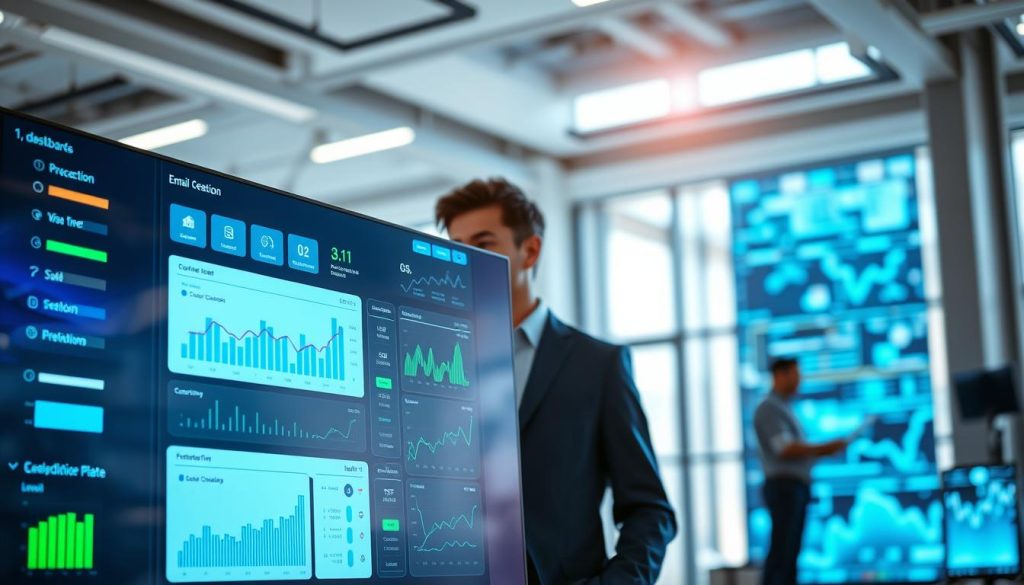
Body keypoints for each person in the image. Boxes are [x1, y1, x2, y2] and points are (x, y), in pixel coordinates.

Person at [435, 178, 677, 585]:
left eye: (483, 245)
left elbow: (650, 509)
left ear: (530, 250)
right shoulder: (432, 361)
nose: (465, 262)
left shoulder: (597, 365)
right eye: (456, 249)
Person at [754, 358, 847, 585]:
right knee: (782, 554)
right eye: (795, 375)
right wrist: (824, 449)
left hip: (793, 487)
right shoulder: (769, 407)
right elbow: (784, 448)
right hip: (784, 487)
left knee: (789, 554)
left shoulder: (785, 408)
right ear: (779, 375)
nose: (799, 381)